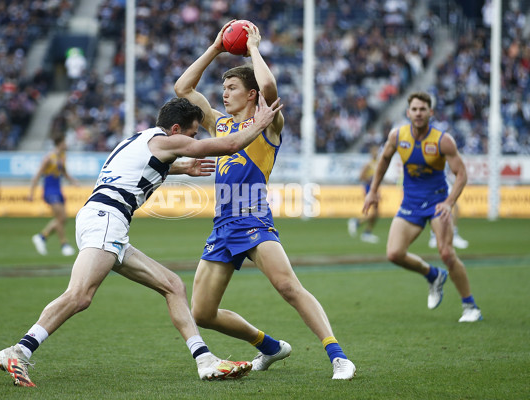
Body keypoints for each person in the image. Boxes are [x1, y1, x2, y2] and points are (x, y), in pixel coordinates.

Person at [0, 95, 282, 387]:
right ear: (176, 129)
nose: (193, 144)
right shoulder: (164, 142)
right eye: (192, 135)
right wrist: (258, 124)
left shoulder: (140, 139)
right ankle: (19, 350)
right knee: (80, 295)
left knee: (172, 285)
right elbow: (229, 145)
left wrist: (182, 168)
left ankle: (205, 361)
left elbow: (140, 170)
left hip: (102, 220)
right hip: (107, 219)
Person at [174, 20, 356, 380]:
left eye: (232, 88)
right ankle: (270, 346)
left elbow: (269, 85)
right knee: (202, 313)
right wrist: (215, 48)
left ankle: (338, 356)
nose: (224, 94)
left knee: (289, 286)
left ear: (251, 94)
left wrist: (254, 48)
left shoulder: (268, 121)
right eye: (223, 88)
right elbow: (183, 88)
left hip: (253, 216)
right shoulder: (219, 125)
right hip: (222, 224)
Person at [362, 92, 482, 323]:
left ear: (430, 112)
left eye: (422, 109)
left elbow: (462, 174)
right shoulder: (398, 136)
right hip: (411, 203)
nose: (418, 113)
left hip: (437, 203)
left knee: (446, 252)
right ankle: (433, 275)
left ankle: (470, 306)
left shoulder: (442, 140)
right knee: (394, 254)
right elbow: (384, 159)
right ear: (408, 113)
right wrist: (374, 190)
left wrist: (449, 203)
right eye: (414, 109)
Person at [30, 134, 79, 256]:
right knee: (60, 217)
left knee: (63, 219)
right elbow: (37, 176)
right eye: (64, 142)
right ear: (60, 143)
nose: (66, 145)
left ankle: (42, 237)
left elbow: (65, 173)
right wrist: (31, 192)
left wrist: (73, 182)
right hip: (50, 190)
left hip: (58, 190)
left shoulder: (62, 157)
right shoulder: (48, 158)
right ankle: (64, 244)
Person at [348, 144, 380, 243]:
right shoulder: (368, 164)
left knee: (376, 213)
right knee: (375, 212)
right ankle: (359, 224)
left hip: (375, 188)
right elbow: (361, 177)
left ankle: (366, 230)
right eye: (374, 151)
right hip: (369, 188)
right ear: (371, 153)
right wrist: (371, 182)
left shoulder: (378, 163)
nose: (376, 153)